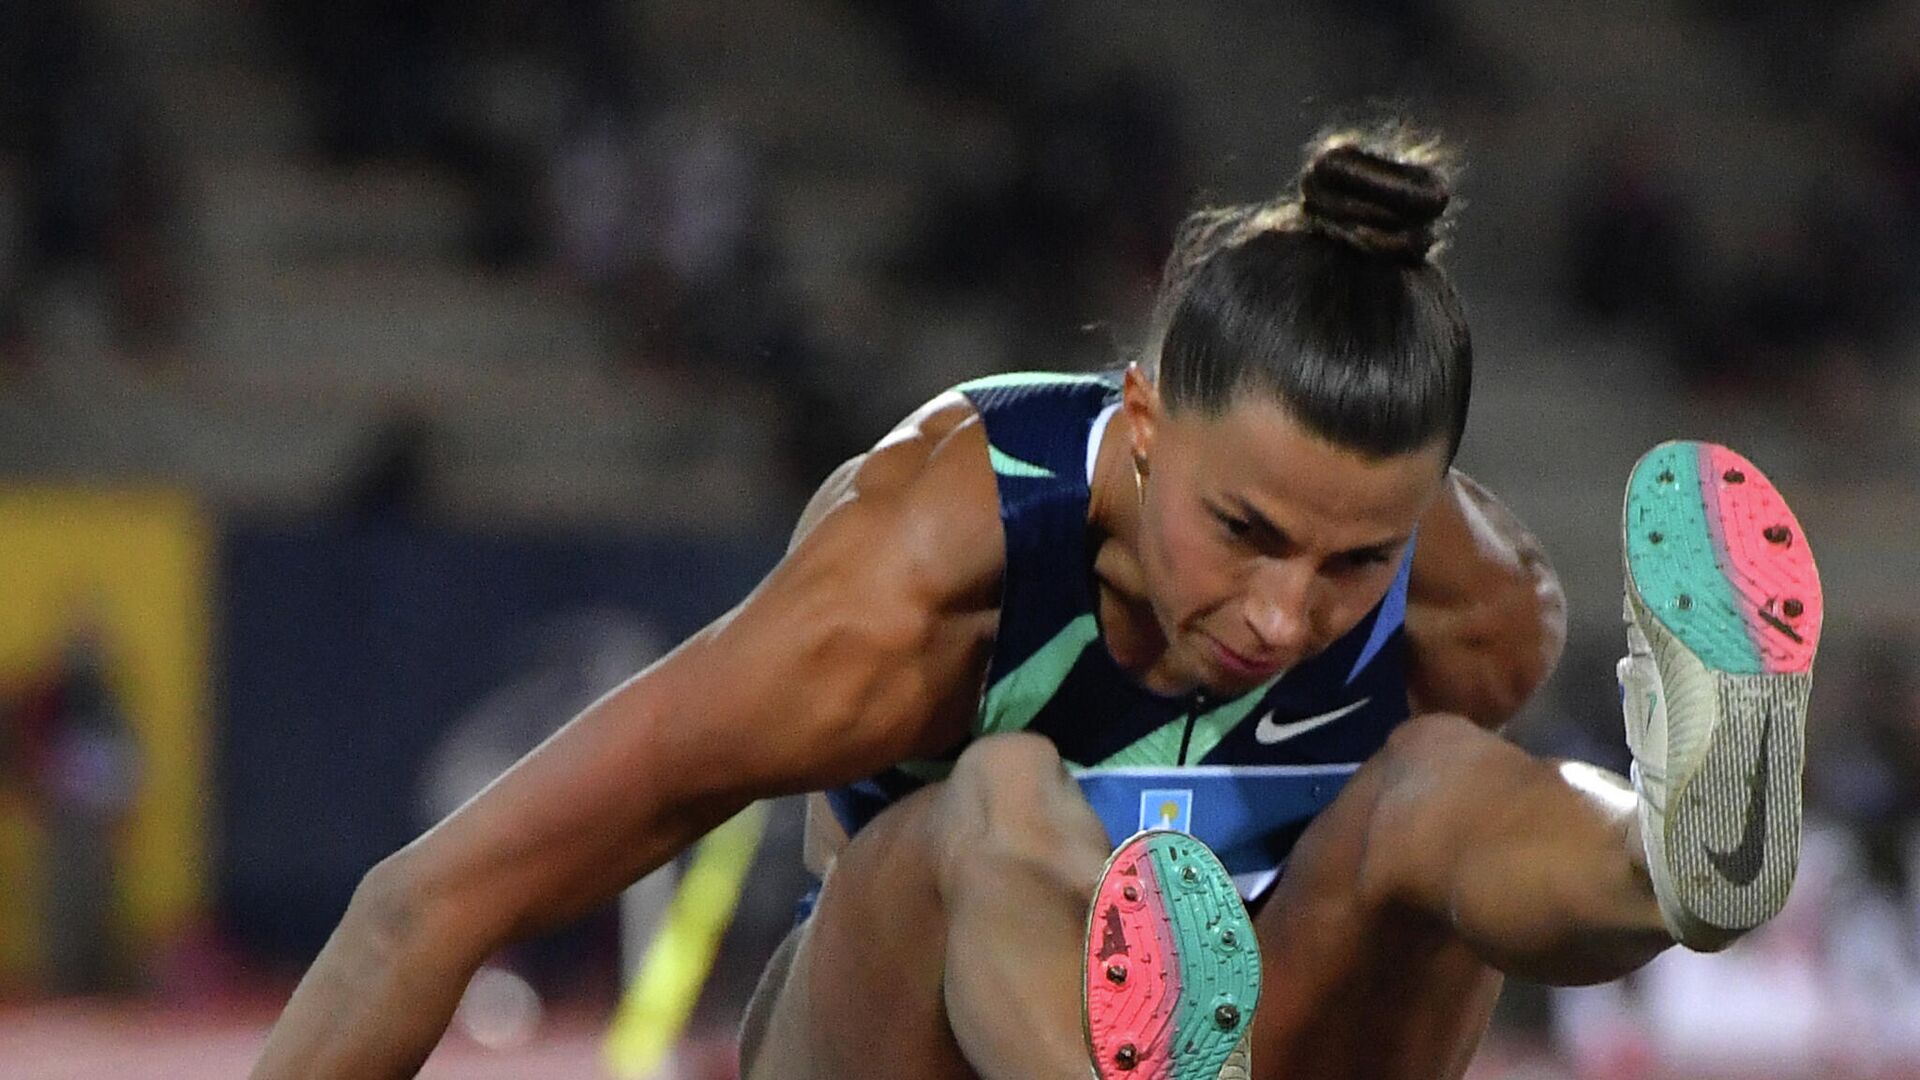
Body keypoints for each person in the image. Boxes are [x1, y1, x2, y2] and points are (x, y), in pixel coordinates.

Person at [251, 123, 1823, 1079]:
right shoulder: (917, 572)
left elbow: (1460, 913)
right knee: (1001, 796)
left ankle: (1680, 855)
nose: (1287, 614)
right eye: (1247, 532)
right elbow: (427, 902)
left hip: (1264, 1036)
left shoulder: (1478, 606)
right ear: (1140, 424)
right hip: (892, 1047)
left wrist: (1625, 862)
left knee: (1438, 786)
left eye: (1355, 561)